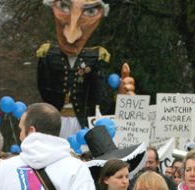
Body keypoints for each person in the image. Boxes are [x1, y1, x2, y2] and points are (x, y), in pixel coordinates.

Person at [38, 0, 135, 138]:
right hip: (57, 121)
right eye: (64, 6)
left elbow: (99, 97)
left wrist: (120, 99)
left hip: (81, 121)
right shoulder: (49, 56)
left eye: (90, 11)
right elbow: (44, 89)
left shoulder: (95, 58)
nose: (72, 34)